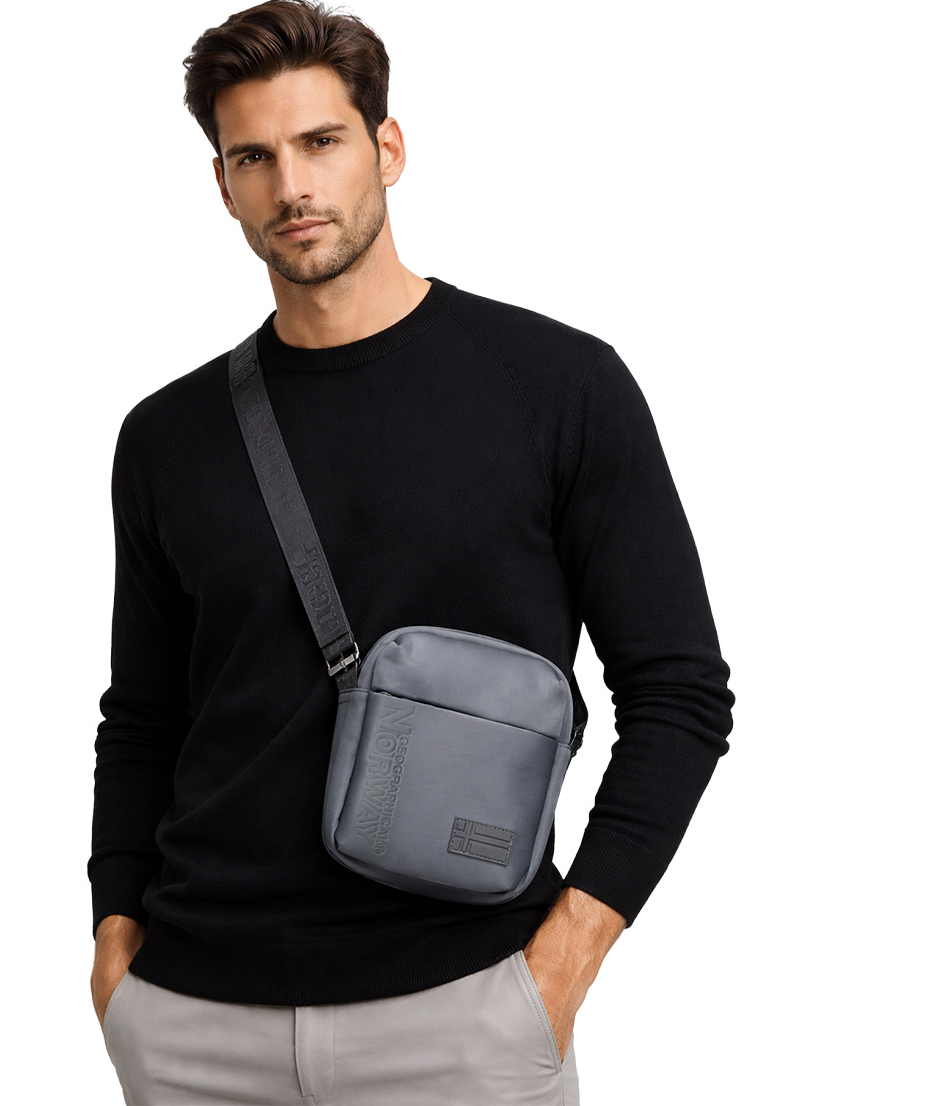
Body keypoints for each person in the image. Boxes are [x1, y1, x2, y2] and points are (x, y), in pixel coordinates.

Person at [87, 2, 735, 1103]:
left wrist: (563, 959)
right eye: (253, 156)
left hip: (463, 1011)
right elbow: (144, 717)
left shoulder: (558, 387)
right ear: (223, 186)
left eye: (321, 141)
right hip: (193, 1019)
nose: (292, 185)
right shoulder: (166, 436)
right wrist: (115, 946)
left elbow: (679, 694)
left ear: (387, 147)